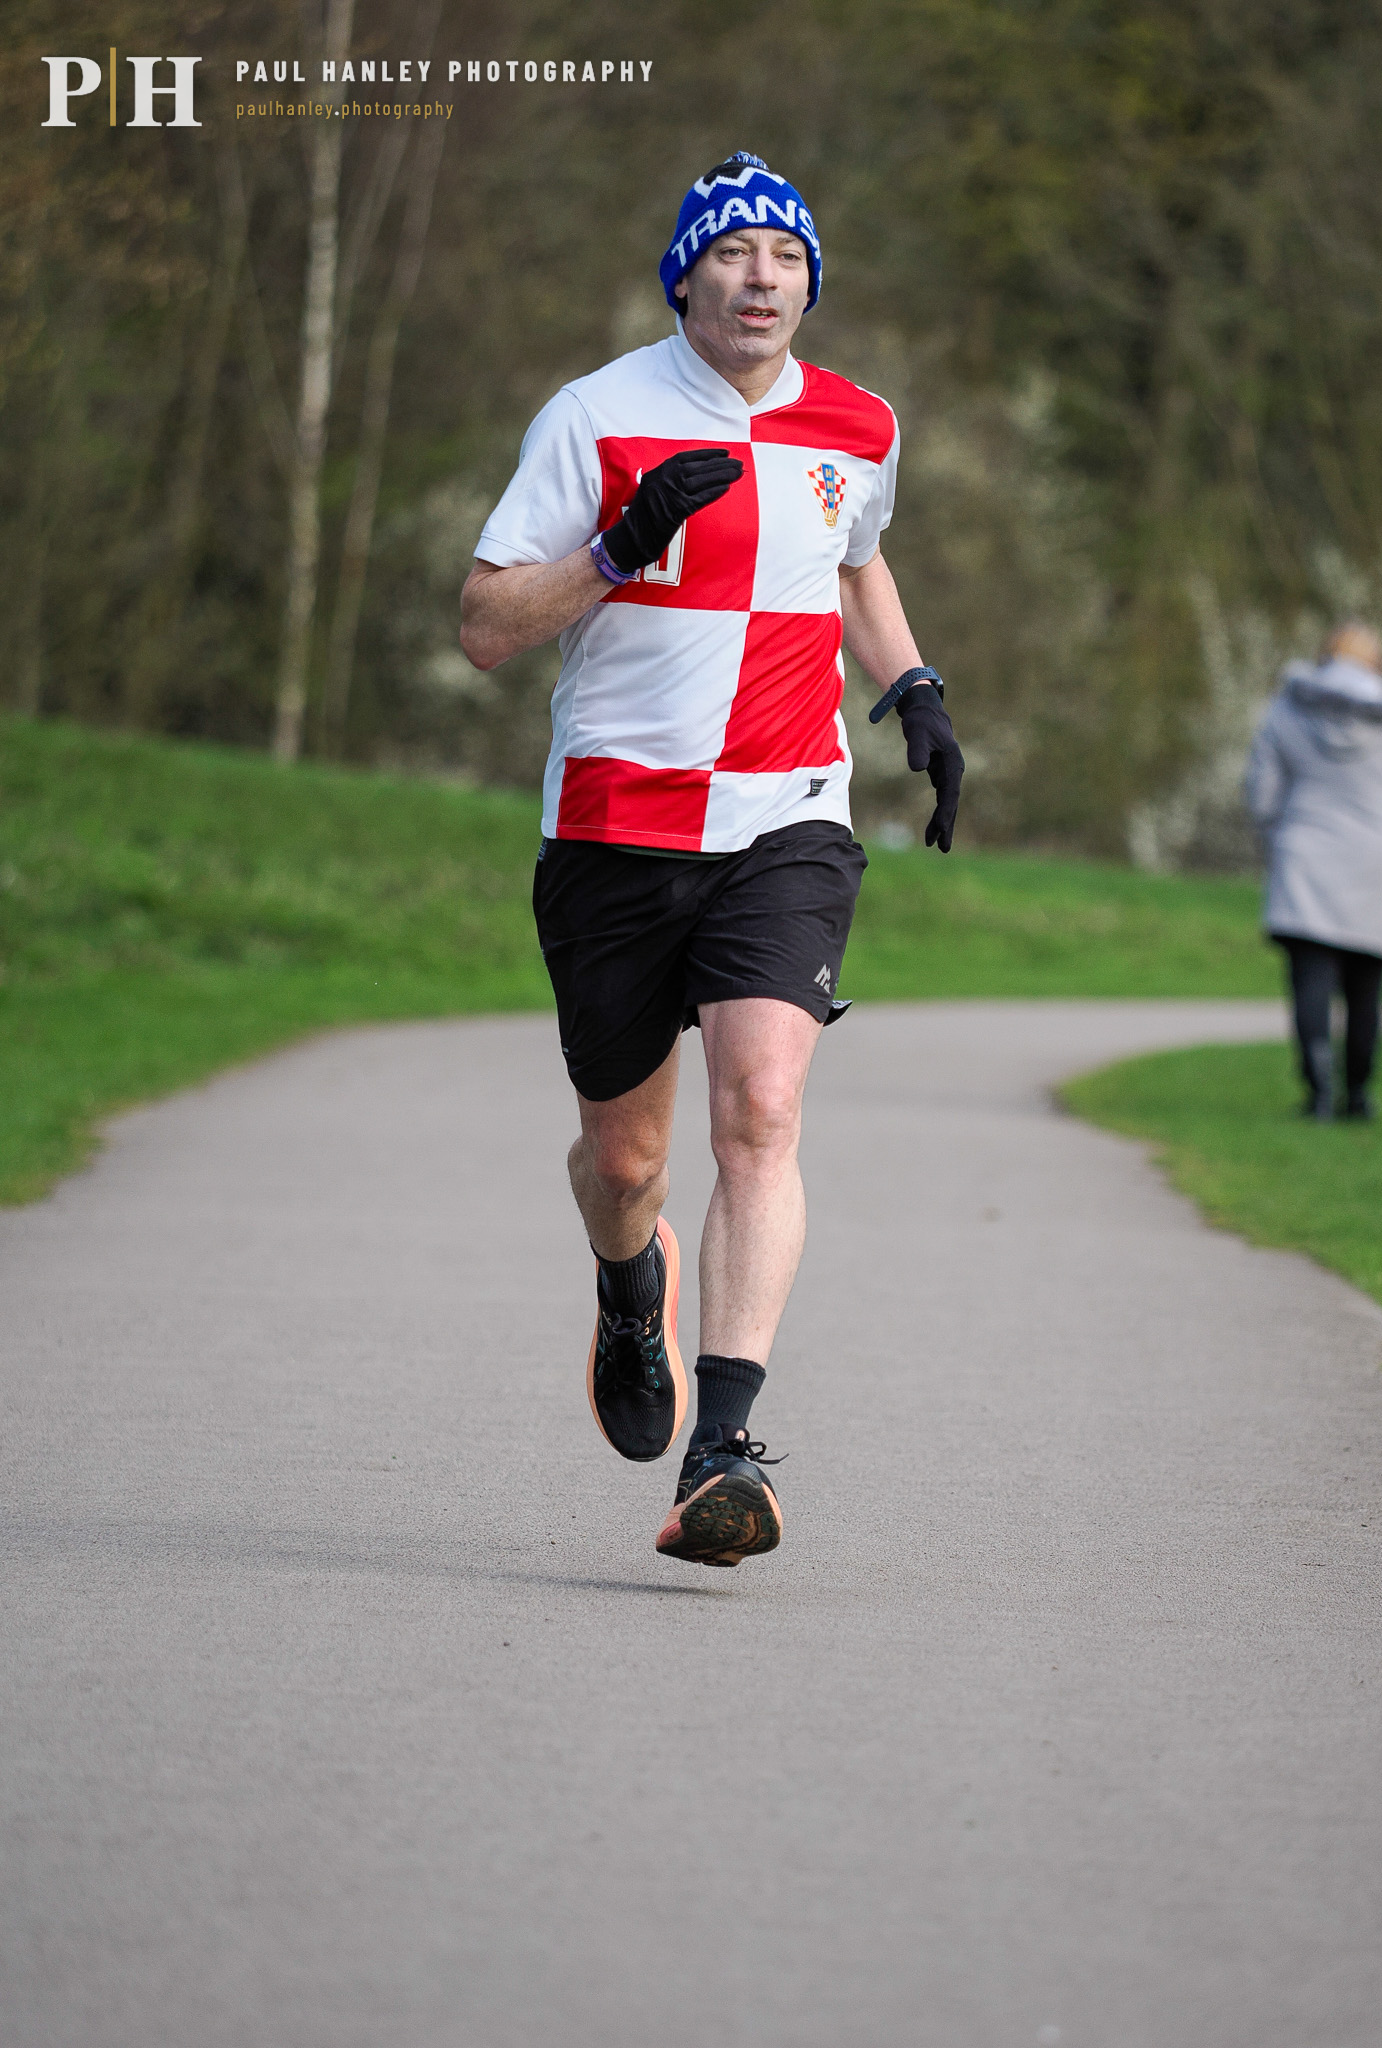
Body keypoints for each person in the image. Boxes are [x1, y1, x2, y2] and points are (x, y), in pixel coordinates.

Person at [459, 153, 963, 1567]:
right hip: (617, 831)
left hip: (786, 818)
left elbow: (855, 554)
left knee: (762, 1110)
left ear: (812, 282)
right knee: (628, 1163)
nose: (761, 278)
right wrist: (618, 547)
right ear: (686, 274)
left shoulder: (858, 423)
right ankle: (631, 1285)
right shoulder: (597, 418)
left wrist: (915, 686)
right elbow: (489, 624)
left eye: (786, 258)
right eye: (733, 254)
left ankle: (725, 1449)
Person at [1244, 620, 1382, 1120]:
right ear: (1377, 664)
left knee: (1310, 981)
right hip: (1378, 862)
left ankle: (1318, 1095)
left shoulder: (1288, 708)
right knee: (1366, 991)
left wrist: (1281, 835)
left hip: (1305, 858)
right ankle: (1358, 1095)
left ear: (1323, 656)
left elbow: (1260, 794)